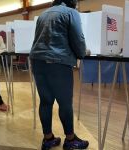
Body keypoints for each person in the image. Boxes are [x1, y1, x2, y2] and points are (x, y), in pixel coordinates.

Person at [30, 0, 89, 149]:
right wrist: (82, 53)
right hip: (58, 62)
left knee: (45, 101)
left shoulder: (43, 14)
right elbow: (78, 38)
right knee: (65, 103)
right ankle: (70, 141)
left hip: (37, 61)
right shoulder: (71, 13)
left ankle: (48, 139)